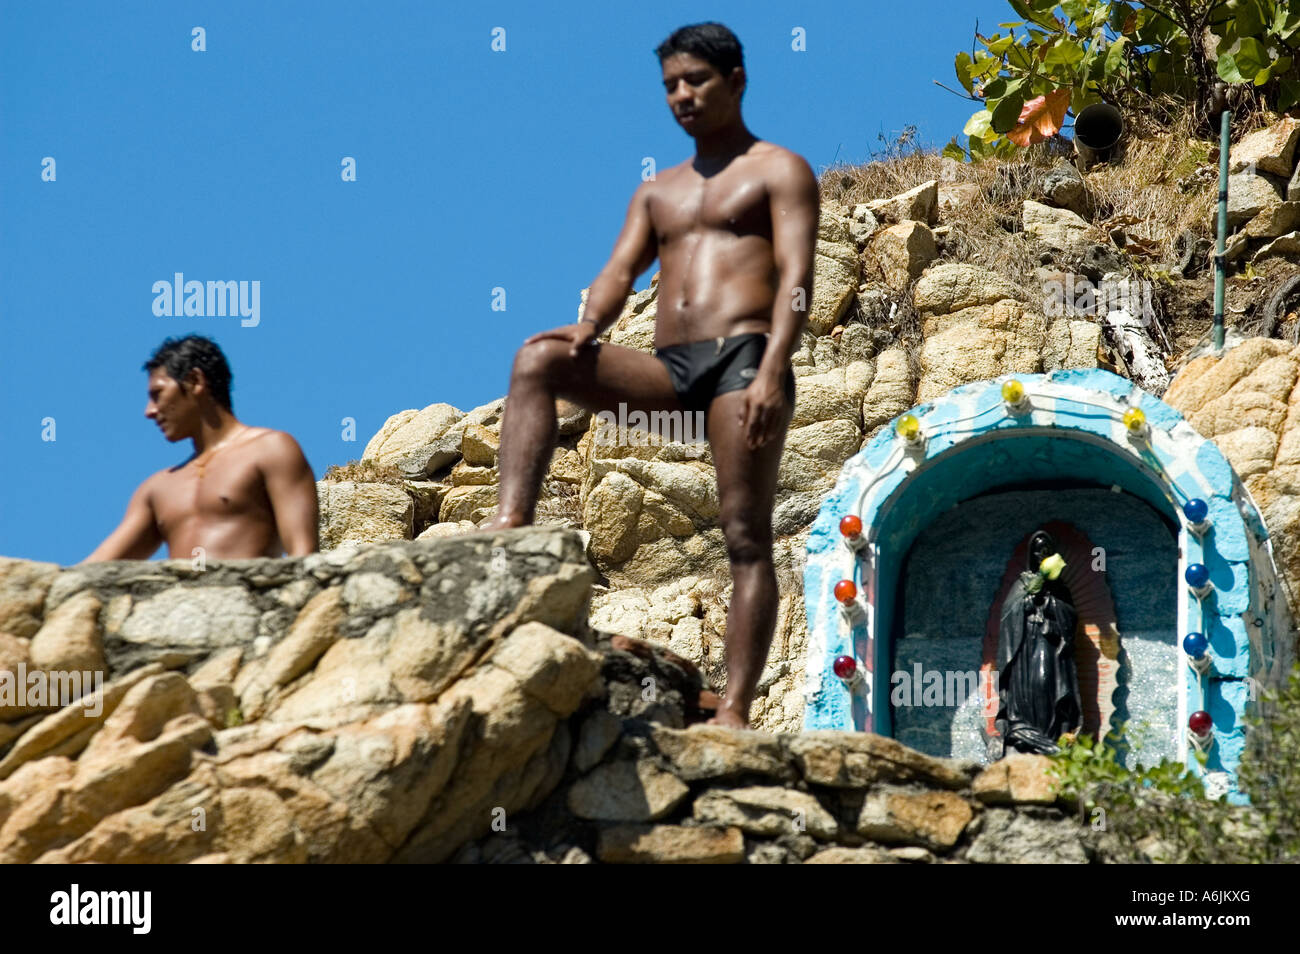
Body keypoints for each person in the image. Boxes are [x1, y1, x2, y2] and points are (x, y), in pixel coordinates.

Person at [479, 22, 819, 728]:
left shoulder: (778, 169)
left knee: (745, 535)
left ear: (736, 80)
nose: (682, 95)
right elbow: (617, 270)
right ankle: (511, 525)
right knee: (538, 359)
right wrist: (589, 327)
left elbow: (797, 277)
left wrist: (772, 370)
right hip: (669, 370)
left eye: (695, 80)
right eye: (670, 85)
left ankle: (733, 711)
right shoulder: (657, 191)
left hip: (745, 360)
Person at [84, 335, 319, 562]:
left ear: (195, 381)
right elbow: (92, 570)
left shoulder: (271, 450)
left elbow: (303, 556)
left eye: (158, 394)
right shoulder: (156, 490)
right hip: (180, 603)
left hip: (248, 599)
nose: (150, 411)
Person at [991, 530, 1082, 756]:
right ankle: (1025, 733)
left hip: (1047, 643)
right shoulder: (1022, 583)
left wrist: (1050, 604)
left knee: (1044, 682)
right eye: (1038, 549)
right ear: (1032, 554)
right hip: (1023, 646)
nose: (1042, 553)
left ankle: (1049, 737)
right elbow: (1007, 614)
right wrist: (1026, 604)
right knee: (1025, 690)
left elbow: (1070, 616)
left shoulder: (1059, 589)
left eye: (1046, 550)